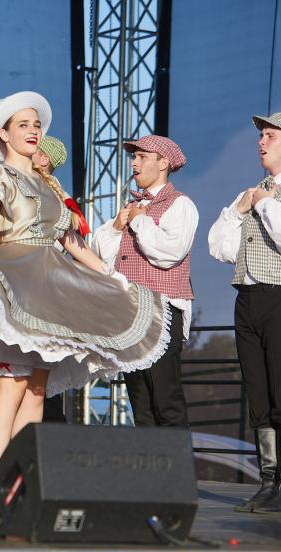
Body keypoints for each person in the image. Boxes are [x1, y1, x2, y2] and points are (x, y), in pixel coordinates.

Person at [0, 92, 171, 499]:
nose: (33, 130)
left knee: (36, 389)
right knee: (11, 385)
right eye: (23, 124)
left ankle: (18, 474)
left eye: (36, 124)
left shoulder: (48, 186)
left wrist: (110, 276)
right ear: (4, 134)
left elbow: (71, 242)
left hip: (49, 286)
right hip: (15, 280)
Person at [208, 112, 281, 514]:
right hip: (248, 298)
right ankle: (268, 482)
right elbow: (219, 246)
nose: (261, 141)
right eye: (260, 135)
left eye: (270, 135)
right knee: (258, 392)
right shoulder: (255, 193)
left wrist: (264, 203)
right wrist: (240, 209)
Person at [91, 135, 198, 428]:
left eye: (142, 157)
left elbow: (169, 253)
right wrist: (117, 227)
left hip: (163, 310)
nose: (134, 163)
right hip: (132, 313)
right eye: (134, 157)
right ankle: (150, 458)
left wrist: (139, 221)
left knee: (166, 399)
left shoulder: (180, 204)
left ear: (163, 163)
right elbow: (105, 258)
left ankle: (177, 459)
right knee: (141, 403)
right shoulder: (132, 206)